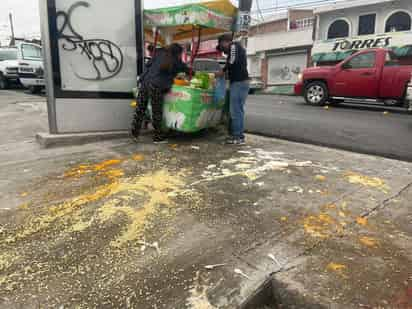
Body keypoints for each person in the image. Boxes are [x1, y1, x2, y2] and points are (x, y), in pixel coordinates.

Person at [131, 43, 190, 144]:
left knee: (140, 109)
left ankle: (134, 134)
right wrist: (191, 72)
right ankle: (158, 137)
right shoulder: (175, 59)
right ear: (178, 53)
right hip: (157, 85)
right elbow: (184, 69)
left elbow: (148, 64)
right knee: (156, 111)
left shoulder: (158, 53)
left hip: (145, 82)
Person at [217, 34, 250, 145]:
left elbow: (232, 61)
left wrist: (223, 70)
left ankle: (238, 137)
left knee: (236, 111)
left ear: (224, 42)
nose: (223, 50)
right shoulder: (235, 48)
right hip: (239, 82)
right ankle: (237, 135)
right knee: (237, 110)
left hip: (239, 83)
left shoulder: (234, 46)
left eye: (222, 45)